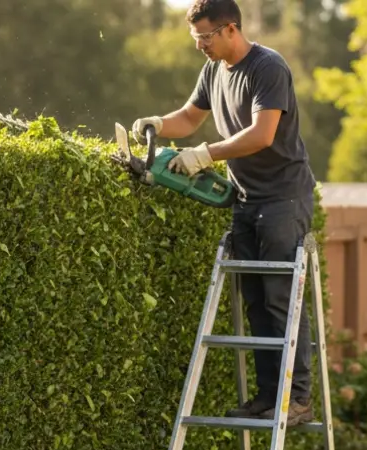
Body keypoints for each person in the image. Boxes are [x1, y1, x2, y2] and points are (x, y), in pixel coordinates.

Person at [132, 0, 318, 426]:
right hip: (246, 198)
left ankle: (298, 399)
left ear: (230, 29)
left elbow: (261, 134)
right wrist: (158, 124)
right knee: (255, 299)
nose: (200, 46)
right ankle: (270, 395)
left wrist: (205, 155)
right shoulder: (214, 70)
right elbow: (190, 117)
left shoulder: (267, 67)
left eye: (205, 37)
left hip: (283, 199)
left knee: (280, 298)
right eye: (195, 38)